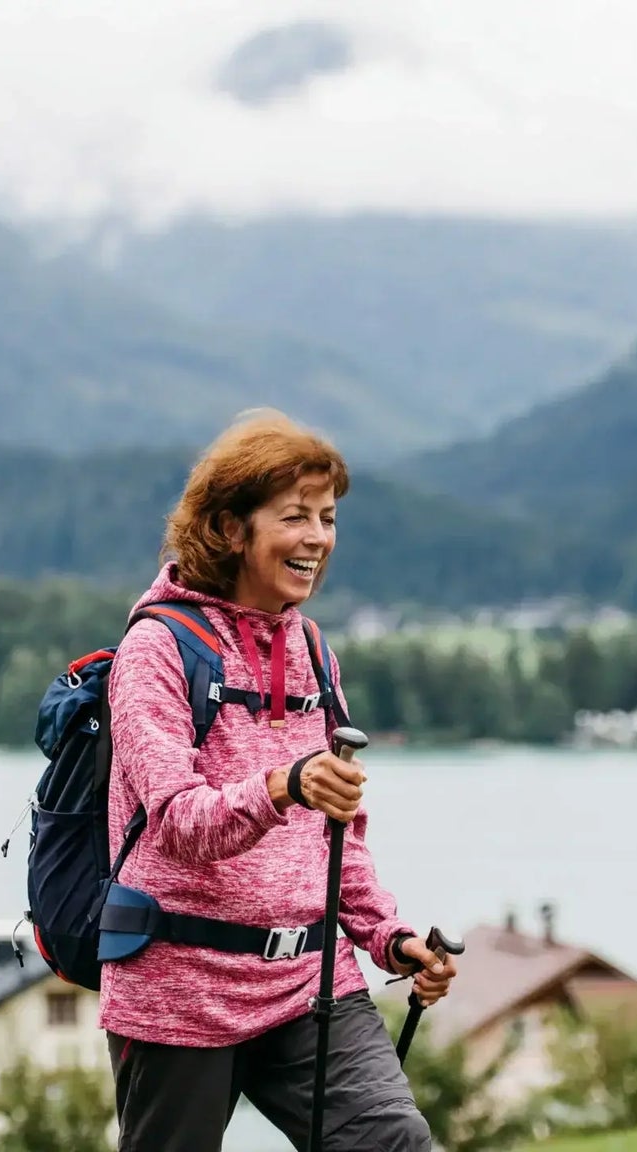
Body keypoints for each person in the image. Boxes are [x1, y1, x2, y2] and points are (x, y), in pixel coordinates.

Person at [101, 409, 457, 1151]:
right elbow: (178, 821)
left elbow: (341, 833)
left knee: (397, 1143)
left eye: (327, 518)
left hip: (311, 984)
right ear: (230, 528)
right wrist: (284, 784)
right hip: (180, 989)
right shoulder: (156, 650)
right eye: (294, 516)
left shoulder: (314, 651)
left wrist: (387, 937)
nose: (318, 538)